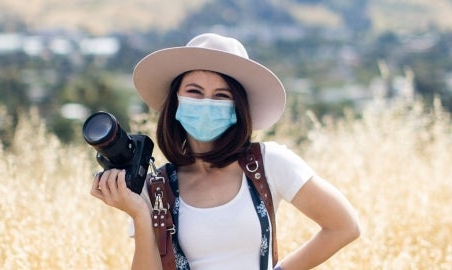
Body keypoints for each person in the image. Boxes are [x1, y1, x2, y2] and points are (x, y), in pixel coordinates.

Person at [90, 33, 360, 270]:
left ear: (237, 108)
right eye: (194, 92)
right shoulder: (156, 189)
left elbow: (344, 226)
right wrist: (139, 215)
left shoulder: (267, 164)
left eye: (221, 95)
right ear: (175, 103)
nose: (207, 103)